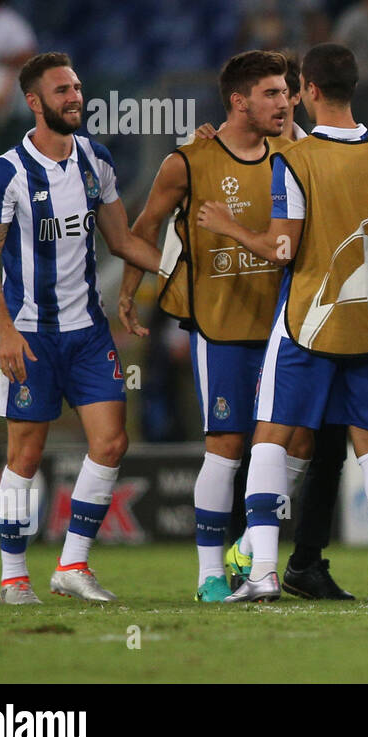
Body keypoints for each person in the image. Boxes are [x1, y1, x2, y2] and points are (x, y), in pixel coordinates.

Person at [199, 43, 368, 603]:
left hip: (310, 321)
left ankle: (263, 571)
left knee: (269, 436)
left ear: (308, 90)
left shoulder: (294, 160)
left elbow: (283, 247)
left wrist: (231, 227)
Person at [117, 50, 305, 602]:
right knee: (225, 443)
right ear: (238, 101)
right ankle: (209, 576)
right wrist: (130, 292)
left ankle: (248, 547)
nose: (284, 100)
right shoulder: (189, 161)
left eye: (287, 91)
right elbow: (144, 226)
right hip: (220, 326)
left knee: (294, 440)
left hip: (282, 328)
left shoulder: (291, 154)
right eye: (271, 93)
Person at [0, 52, 163, 604]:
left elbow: (122, 240)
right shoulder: (5, 172)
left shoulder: (95, 160)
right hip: (29, 335)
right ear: (34, 103)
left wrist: (177, 267)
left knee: (110, 443)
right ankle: (13, 576)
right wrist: (6, 333)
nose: (75, 97)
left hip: (88, 333)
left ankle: (72, 566)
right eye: (62, 90)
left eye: (77, 87)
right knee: (25, 457)